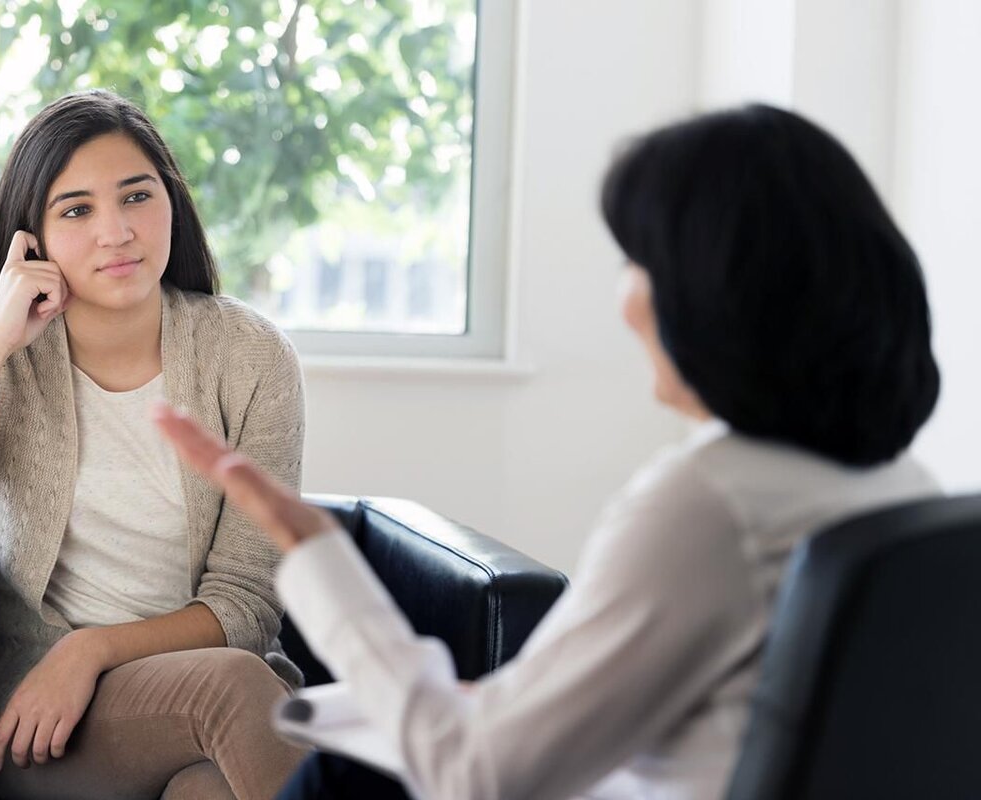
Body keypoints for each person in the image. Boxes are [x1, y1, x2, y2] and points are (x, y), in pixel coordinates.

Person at [153, 104, 942, 800]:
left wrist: (316, 550)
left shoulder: (709, 502)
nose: (626, 301)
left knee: (348, 766)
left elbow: (474, 779)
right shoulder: (902, 485)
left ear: (713, 293)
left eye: (638, 263)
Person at [0, 90, 307, 800]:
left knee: (210, 790)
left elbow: (248, 603)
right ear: (27, 237)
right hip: (48, 722)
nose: (117, 231)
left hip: (212, 691)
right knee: (235, 691)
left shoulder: (250, 355)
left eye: (137, 196)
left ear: (172, 202)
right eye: (76, 210)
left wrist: (92, 650)